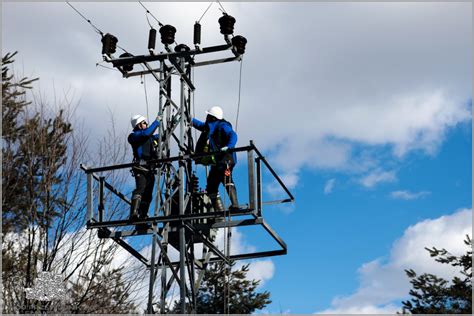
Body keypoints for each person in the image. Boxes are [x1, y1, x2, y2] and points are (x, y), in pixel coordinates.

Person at [192, 106, 239, 211]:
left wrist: (229, 146)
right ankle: (219, 211)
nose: (206, 117)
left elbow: (233, 135)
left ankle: (235, 205)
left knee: (226, 178)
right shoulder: (212, 126)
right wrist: (190, 119)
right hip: (219, 161)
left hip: (226, 158)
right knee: (211, 185)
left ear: (213, 117)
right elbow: (201, 125)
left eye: (208, 115)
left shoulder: (223, 126)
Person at [128, 113, 161, 223]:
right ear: (138, 125)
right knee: (140, 189)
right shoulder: (134, 136)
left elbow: (159, 137)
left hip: (150, 169)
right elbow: (145, 134)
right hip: (141, 168)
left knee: (148, 194)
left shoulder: (150, 137)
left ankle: (143, 215)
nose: (146, 124)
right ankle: (134, 213)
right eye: (144, 123)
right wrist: (156, 122)